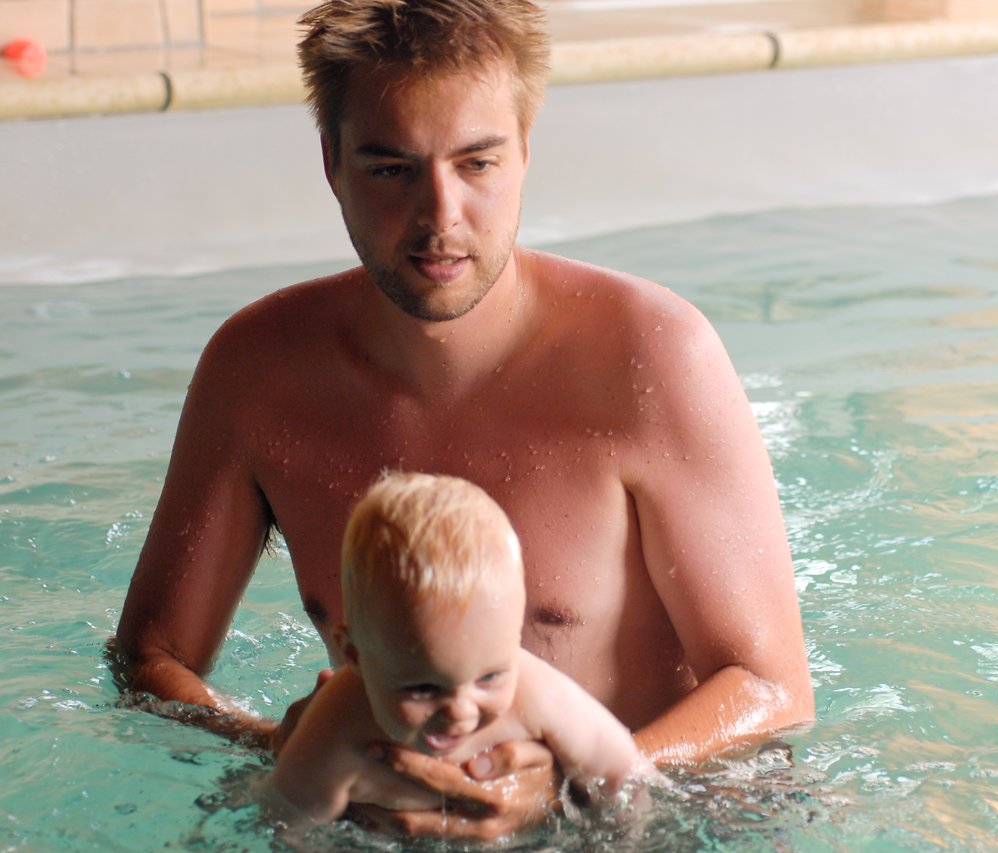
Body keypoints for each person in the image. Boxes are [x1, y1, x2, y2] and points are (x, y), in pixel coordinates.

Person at [115, 0, 813, 839]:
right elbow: (150, 661)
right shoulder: (257, 373)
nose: (440, 216)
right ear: (332, 163)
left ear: (525, 152)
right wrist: (284, 748)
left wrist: (571, 788)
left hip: (637, 823)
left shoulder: (655, 358)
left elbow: (771, 689)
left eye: (477, 163)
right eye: (391, 169)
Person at [264, 472, 656, 830]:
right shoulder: (339, 721)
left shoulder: (538, 695)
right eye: (424, 689)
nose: (460, 710)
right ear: (354, 656)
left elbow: (629, 781)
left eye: (490, 676)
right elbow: (283, 824)